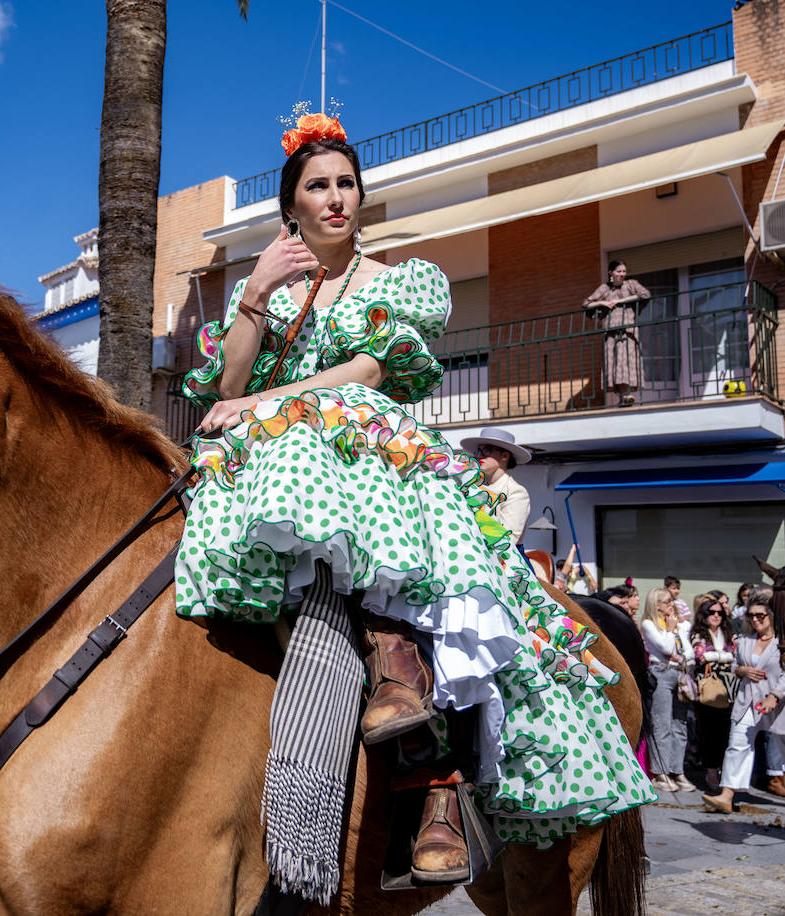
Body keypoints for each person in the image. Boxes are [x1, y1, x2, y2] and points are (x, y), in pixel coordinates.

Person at [177, 108, 653, 901]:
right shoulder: (263, 293)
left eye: (346, 185)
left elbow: (366, 375)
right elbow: (226, 393)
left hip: (366, 448)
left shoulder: (400, 282)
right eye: (317, 187)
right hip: (271, 457)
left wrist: (274, 404)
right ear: (290, 207)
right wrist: (256, 294)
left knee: (432, 587)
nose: (335, 199)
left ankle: (438, 765)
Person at [702, 590, 785, 817]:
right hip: (748, 699)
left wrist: (774, 696)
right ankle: (727, 794)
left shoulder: (784, 641)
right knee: (737, 744)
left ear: (772, 616)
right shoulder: (745, 640)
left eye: (760, 616)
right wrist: (743, 670)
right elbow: (736, 666)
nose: (755, 620)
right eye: (751, 616)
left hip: (780, 701)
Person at [640, 586, 694, 792]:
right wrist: (671, 631)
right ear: (657, 604)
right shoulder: (649, 624)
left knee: (680, 724)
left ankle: (677, 770)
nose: (672, 605)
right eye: (668, 601)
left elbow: (688, 652)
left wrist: (678, 649)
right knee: (662, 724)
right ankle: (661, 772)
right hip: (660, 673)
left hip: (680, 674)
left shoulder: (678, 625)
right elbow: (665, 649)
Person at [582, 259, 650, 407]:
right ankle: (623, 397)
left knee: (626, 362)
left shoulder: (631, 284)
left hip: (627, 331)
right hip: (611, 333)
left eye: (624, 272)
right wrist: (603, 303)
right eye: (619, 271)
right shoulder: (605, 289)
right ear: (610, 272)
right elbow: (586, 304)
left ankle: (627, 395)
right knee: (615, 365)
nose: (622, 274)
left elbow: (645, 294)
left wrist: (622, 301)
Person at [458, 427, 531, 546]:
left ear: (505, 456)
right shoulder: (476, 486)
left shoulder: (516, 492)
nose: (480, 456)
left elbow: (509, 540)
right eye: (478, 451)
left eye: (486, 450)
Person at [690, 596, 735, 790]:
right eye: (712, 612)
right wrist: (724, 657)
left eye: (720, 613)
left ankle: (723, 770)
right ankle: (710, 771)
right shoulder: (699, 633)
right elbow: (701, 656)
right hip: (708, 686)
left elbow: (734, 655)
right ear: (704, 615)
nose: (716, 616)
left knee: (725, 731)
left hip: (729, 688)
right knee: (709, 731)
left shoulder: (728, 632)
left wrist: (716, 657)